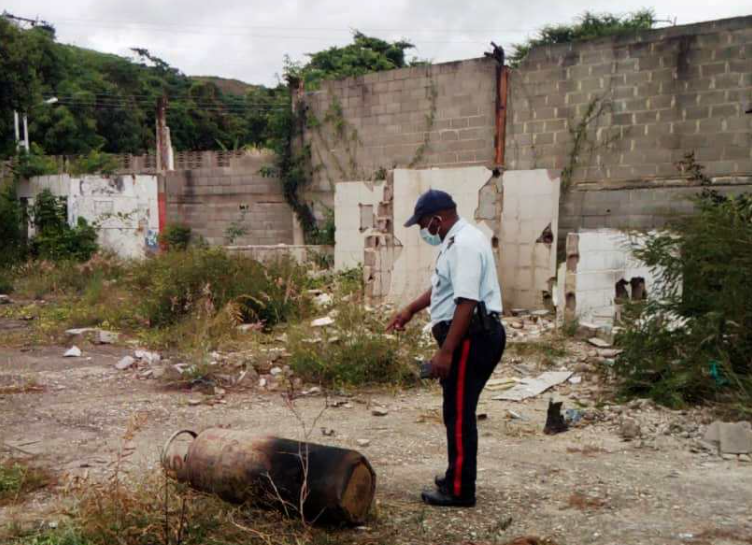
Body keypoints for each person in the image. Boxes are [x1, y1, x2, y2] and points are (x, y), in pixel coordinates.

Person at [386, 189, 505, 508]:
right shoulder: (457, 240)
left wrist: (446, 352)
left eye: (424, 224)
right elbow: (442, 286)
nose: (424, 231)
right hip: (469, 336)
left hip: (471, 338)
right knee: (455, 409)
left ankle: (460, 489)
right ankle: (457, 474)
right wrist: (410, 309)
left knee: (459, 413)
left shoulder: (464, 244)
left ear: (437, 219)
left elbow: (466, 301)